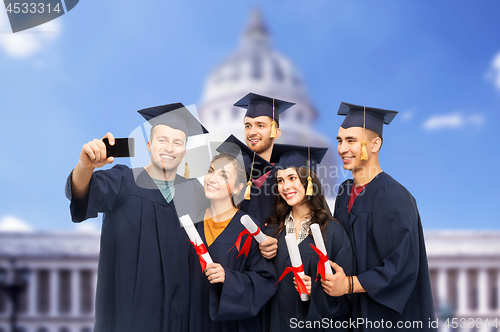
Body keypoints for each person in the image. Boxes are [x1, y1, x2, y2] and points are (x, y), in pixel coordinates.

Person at [65, 103, 209, 332]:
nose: (169, 148)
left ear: (184, 150)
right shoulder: (124, 180)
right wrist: (85, 166)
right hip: (129, 317)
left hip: (181, 317)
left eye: (178, 142)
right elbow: (82, 192)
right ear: (150, 145)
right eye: (162, 140)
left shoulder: (195, 192)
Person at [331, 102, 436, 331]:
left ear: (375, 144)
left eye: (351, 140)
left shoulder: (395, 197)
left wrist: (348, 284)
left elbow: (401, 267)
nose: (342, 149)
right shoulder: (344, 192)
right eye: (340, 140)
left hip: (386, 319)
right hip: (350, 314)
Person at [261, 144, 354, 332]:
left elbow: (346, 296)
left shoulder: (333, 233)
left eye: (292, 178)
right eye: (280, 180)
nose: (285, 186)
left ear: (309, 180)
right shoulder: (271, 231)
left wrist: (318, 289)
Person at [187, 150, 277, 332]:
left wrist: (229, 278)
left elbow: (264, 282)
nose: (212, 179)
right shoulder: (192, 225)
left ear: (238, 188)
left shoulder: (251, 230)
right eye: (211, 171)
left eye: (223, 175)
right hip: (193, 320)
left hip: (233, 326)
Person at [233, 92, 294, 223]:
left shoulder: (286, 173)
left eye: (260, 125)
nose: (252, 132)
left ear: (276, 133)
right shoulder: (234, 168)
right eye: (248, 125)